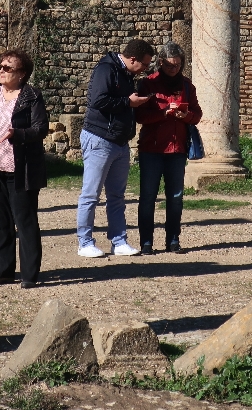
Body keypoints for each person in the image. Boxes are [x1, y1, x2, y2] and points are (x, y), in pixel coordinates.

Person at [0, 49, 48, 288]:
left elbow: (40, 128)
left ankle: (29, 275)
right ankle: (2, 271)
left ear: (22, 74)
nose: (1, 71)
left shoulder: (31, 96)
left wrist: (18, 133)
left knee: (24, 221)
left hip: (20, 168)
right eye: (0, 66)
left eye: (8, 68)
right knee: (0, 221)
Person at [76, 39, 156, 257]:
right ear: (132, 59)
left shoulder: (128, 75)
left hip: (120, 143)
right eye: (145, 64)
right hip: (100, 139)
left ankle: (119, 241)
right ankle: (85, 243)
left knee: (117, 196)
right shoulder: (106, 69)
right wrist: (127, 103)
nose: (146, 69)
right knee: (91, 195)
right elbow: (97, 101)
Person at [135, 42, 203, 254]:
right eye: (169, 66)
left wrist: (187, 116)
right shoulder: (147, 84)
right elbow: (139, 116)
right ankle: (146, 242)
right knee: (148, 197)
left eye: (177, 65)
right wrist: (163, 113)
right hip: (152, 149)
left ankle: (173, 240)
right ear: (160, 63)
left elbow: (197, 114)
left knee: (175, 198)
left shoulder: (186, 86)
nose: (173, 69)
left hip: (177, 149)